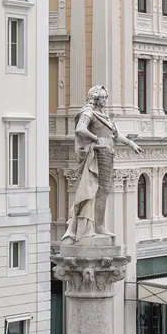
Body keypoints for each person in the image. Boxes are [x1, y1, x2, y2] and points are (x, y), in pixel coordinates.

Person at [61, 85, 143, 244]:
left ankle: (99, 225)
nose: (105, 100)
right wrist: (95, 139)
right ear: (94, 98)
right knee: (92, 190)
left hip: (108, 153)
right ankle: (88, 226)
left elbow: (116, 136)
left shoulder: (105, 116)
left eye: (106, 97)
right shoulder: (88, 113)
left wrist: (131, 144)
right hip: (97, 153)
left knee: (104, 190)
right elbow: (80, 129)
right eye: (102, 97)